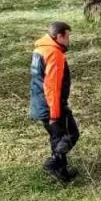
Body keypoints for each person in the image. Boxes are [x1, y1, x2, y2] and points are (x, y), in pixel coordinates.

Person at [30, 21, 78, 183]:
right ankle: (53, 163)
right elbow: (52, 86)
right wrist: (55, 113)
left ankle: (61, 173)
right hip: (52, 105)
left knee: (57, 138)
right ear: (59, 36)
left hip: (39, 103)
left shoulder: (40, 49)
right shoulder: (54, 54)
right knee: (72, 134)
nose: (68, 40)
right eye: (67, 37)